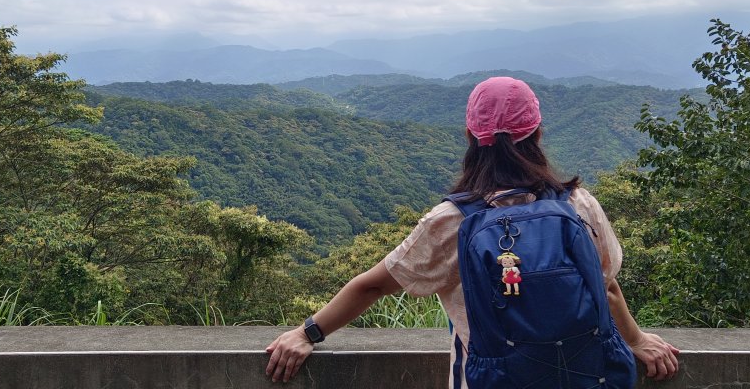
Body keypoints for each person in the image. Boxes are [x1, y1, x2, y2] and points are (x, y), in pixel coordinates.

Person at [266, 76, 680, 386]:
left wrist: (307, 332)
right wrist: (638, 339)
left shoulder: (453, 220)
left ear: (469, 137)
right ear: (537, 133)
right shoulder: (577, 204)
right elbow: (606, 287)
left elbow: (373, 287)